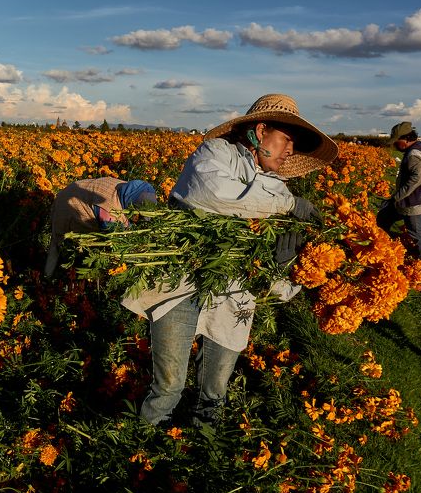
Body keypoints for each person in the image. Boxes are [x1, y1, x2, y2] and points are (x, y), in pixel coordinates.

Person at [122, 94, 338, 426]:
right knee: (168, 387)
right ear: (261, 131)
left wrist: (285, 267)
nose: (290, 151)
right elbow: (210, 194)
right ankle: (140, 454)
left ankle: (203, 455)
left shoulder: (280, 190)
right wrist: (287, 207)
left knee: (214, 393)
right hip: (182, 282)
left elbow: (273, 286)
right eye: (287, 140)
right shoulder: (215, 154)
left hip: (234, 297)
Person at [44, 178, 157, 276]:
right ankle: (49, 277)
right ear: (131, 204)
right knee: (60, 245)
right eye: (138, 212)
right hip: (68, 204)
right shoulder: (109, 210)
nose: (138, 217)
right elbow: (115, 239)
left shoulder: (129, 189)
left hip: (77, 190)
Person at [375, 121, 421, 261]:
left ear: (407, 139)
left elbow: (416, 178)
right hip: (411, 199)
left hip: (414, 201)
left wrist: (397, 196)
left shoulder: (414, 154)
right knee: (383, 218)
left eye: (397, 141)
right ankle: (392, 247)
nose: (395, 144)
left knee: (418, 236)